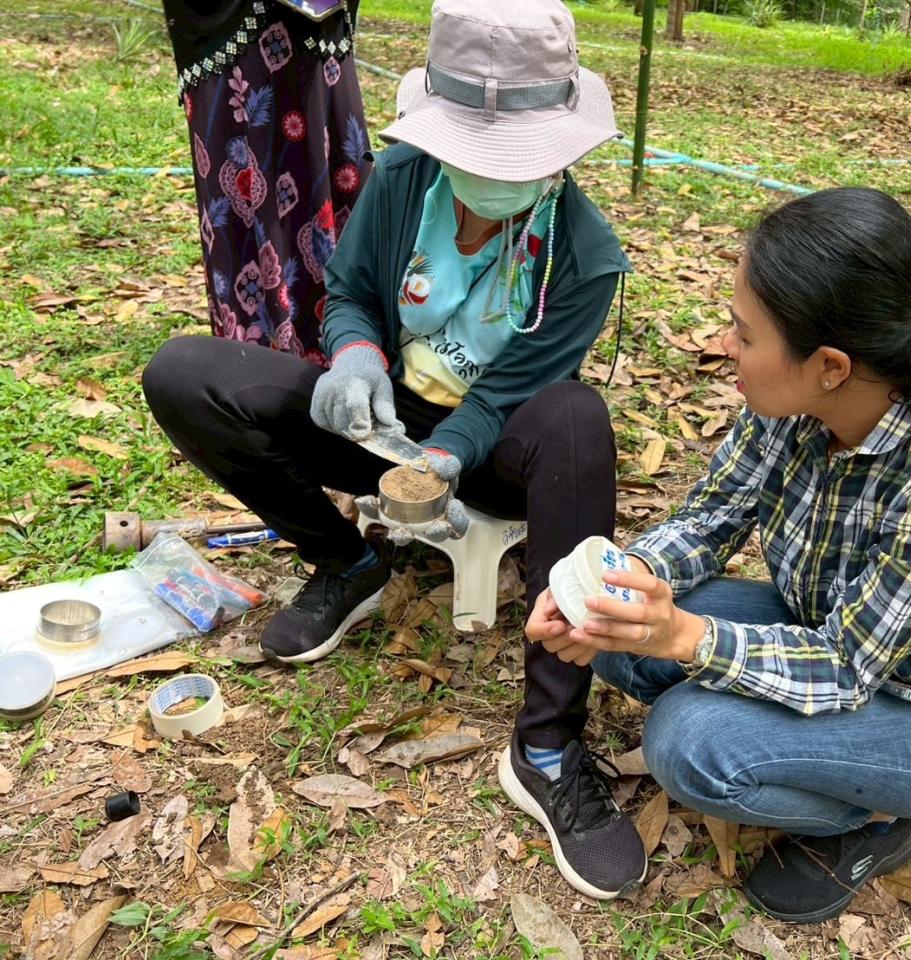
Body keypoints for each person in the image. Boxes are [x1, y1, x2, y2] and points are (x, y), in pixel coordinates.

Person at [143, 0, 647, 901]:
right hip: (375, 419)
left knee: (578, 418)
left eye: (515, 163)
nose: (487, 180)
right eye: (472, 157)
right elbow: (349, 293)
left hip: (498, 448)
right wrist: (355, 355)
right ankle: (347, 565)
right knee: (185, 373)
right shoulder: (405, 176)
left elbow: (503, 394)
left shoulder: (585, 256)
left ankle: (547, 740)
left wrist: (445, 459)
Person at [528, 187, 911, 923]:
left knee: (687, 745)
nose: (726, 344)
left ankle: (872, 820)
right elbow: (710, 520)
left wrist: (686, 639)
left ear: (829, 364)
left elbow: (844, 665)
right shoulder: (795, 407)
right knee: (619, 638)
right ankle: (793, 746)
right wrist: (610, 591)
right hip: (823, 626)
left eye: (744, 332)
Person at [160, 0, 370, 361]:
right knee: (248, 190)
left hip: (322, 28)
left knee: (334, 178)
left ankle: (350, 345)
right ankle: (261, 363)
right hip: (235, 31)